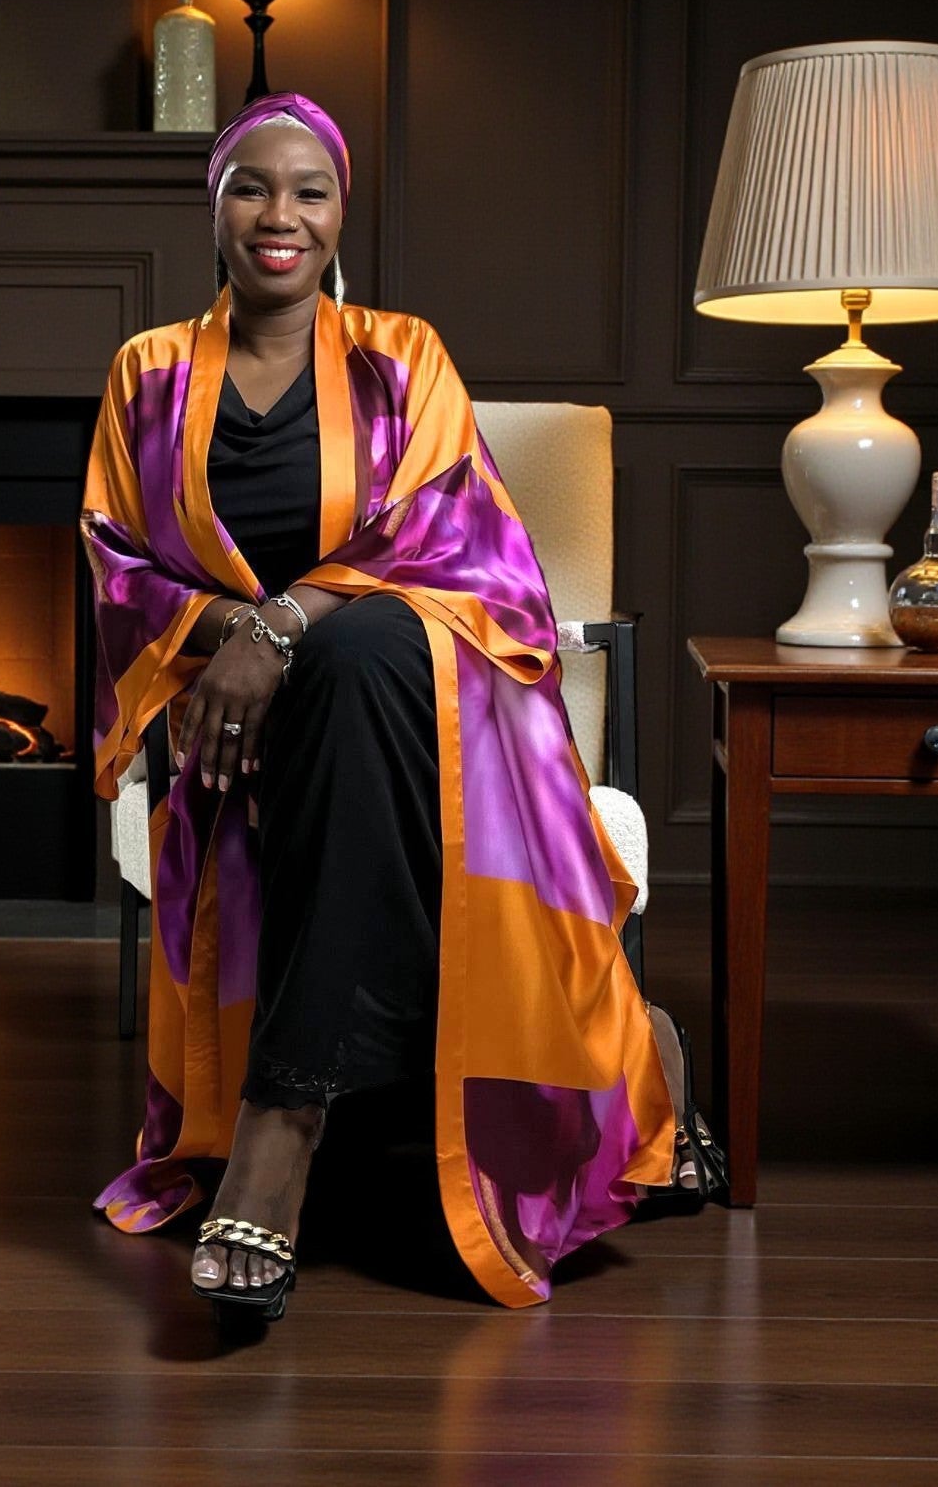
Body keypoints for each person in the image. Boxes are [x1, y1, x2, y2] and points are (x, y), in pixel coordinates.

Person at [84, 92, 701, 1321]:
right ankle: (635, 1040)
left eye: (309, 190)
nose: (281, 214)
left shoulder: (400, 353)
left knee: (363, 647)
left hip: (441, 688)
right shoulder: (147, 374)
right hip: (265, 717)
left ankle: (284, 1120)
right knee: (338, 677)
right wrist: (244, 644)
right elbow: (119, 564)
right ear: (212, 206)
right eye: (252, 186)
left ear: (340, 211)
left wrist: (279, 626)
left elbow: (452, 542)